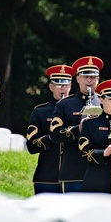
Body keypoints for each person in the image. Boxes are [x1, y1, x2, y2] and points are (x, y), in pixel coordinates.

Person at [50, 56, 104, 193]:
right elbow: (55, 135)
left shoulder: (106, 103)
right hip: (73, 171)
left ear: (98, 79)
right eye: (85, 76)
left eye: (93, 76)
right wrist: (79, 128)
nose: (89, 80)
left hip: (101, 172)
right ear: (77, 78)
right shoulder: (64, 104)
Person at [25, 64, 74, 195]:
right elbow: (31, 146)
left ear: (70, 86)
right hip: (47, 177)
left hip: (74, 176)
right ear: (51, 87)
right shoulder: (40, 112)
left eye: (66, 84)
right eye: (58, 84)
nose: (62, 87)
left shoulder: (79, 111)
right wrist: (55, 135)